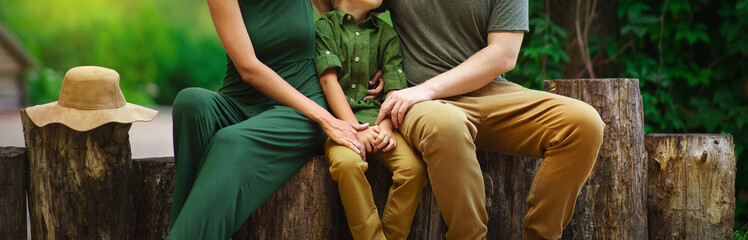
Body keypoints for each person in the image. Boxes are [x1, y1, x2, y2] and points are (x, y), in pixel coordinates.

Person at [339, 0, 605, 239]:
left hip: (489, 91)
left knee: (583, 123)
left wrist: (426, 89)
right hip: (423, 103)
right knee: (448, 125)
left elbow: (503, 55)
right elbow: (345, 8)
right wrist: (366, 59)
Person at [166, 0, 376, 238]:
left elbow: (345, 14)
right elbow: (248, 68)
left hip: (302, 107)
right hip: (241, 99)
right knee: (190, 103)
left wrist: (372, 57)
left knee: (230, 141)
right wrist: (326, 118)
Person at [314, 0, 427, 239]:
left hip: (377, 120)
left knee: (413, 171)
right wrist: (354, 129)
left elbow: (394, 90)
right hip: (339, 124)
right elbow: (328, 80)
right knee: (348, 165)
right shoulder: (326, 27)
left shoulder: (385, 33)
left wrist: (385, 126)